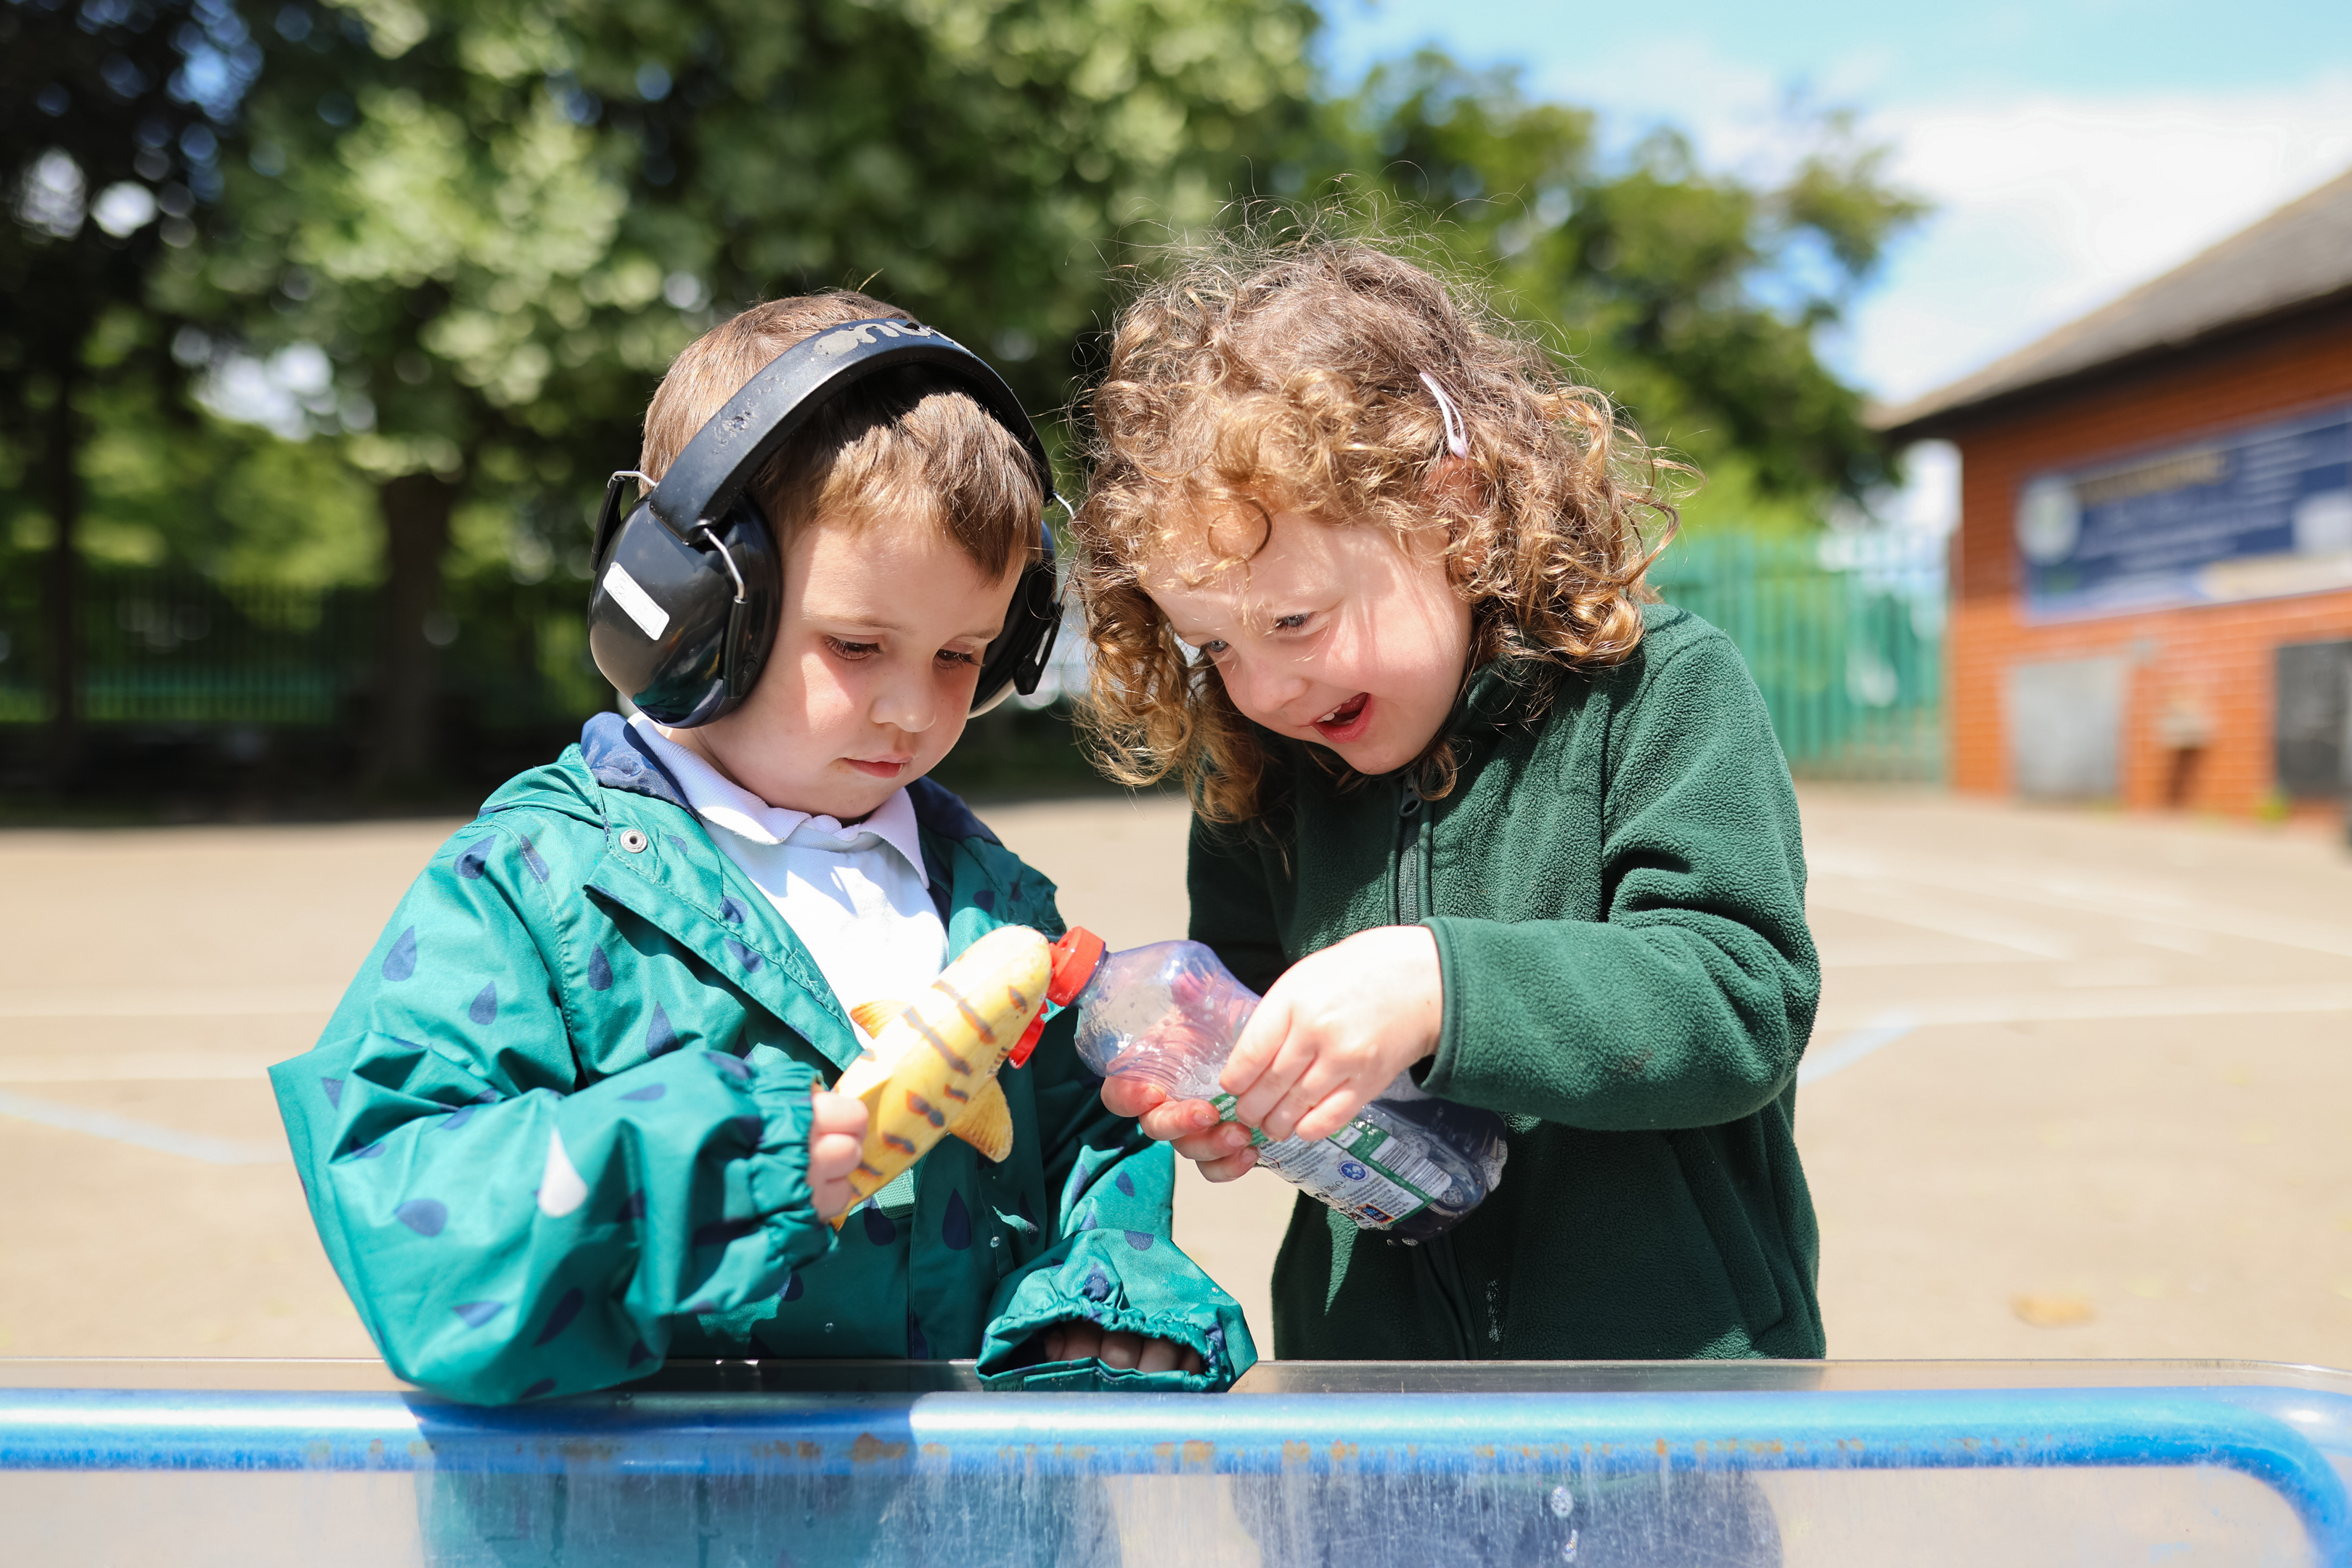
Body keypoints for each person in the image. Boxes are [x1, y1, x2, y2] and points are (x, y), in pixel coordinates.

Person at [271, 291, 1249, 1407]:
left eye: (961, 654)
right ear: (685, 608)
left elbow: (1090, 1154)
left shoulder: (995, 901)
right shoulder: (535, 890)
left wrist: (1102, 1300)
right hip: (658, 1494)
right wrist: (720, 1165)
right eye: (857, 644)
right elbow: (414, 1228)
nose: (912, 710)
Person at [1071, 240, 1826, 1369]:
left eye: (1294, 622)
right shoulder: (1259, 768)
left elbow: (1741, 1000)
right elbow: (1249, 997)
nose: (1263, 689)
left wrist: (1437, 986)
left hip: (1667, 1383)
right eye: (1214, 645)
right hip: (1371, 1376)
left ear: (1452, 509)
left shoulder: (1657, 688)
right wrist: (1228, 1086)